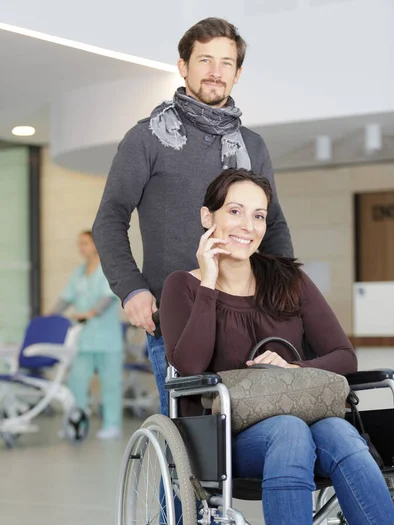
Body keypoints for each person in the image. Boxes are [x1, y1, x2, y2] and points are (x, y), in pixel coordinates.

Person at [160, 168, 394, 525]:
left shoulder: (289, 280)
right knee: (289, 430)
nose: (247, 227)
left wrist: (292, 369)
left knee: (342, 431)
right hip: (227, 441)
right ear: (206, 217)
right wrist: (210, 281)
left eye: (258, 216)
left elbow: (344, 357)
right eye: (235, 211)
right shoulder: (183, 287)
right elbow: (189, 366)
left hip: (307, 426)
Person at [92, 17, 293, 418]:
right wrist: (131, 289)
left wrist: (286, 300)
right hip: (176, 320)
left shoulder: (253, 145)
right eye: (205, 60)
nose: (215, 72)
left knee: (257, 434)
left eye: (226, 63)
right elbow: (109, 219)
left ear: (237, 73)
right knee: (192, 447)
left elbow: (274, 227)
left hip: (247, 316)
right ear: (183, 66)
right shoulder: (148, 137)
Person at [53, 231, 123, 440]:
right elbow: (65, 298)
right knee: (77, 384)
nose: (81, 247)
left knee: (110, 385)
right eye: (80, 244)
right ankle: (76, 423)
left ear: (96, 244)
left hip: (107, 340)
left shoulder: (106, 270)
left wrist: (89, 313)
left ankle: (112, 425)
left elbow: (107, 299)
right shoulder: (79, 272)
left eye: (85, 243)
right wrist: (47, 318)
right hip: (83, 340)